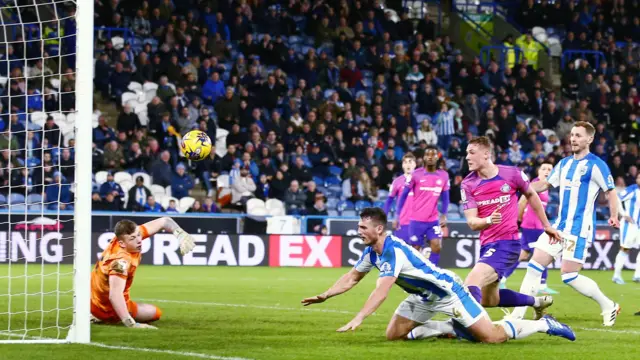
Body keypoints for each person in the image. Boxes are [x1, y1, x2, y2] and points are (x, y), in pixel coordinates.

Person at [301, 207, 575, 343]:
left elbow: (381, 291)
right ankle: (449, 327)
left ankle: (544, 325)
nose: (359, 231)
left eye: (363, 227)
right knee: (393, 336)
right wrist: (325, 295)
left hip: (449, 293)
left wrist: (359, 317)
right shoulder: (372, 252)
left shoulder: (393, 251)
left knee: (491, 338)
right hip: (423, 297)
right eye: (358, 227)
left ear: (379, 229)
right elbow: (351, 278)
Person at [512, 122, 621, 326]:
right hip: (558, 227)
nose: (573, 139)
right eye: (572, 135)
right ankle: (517, 316)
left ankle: (608, 305)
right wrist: (522, 187)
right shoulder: (564, 164)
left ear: (589, 139)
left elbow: (611, 191)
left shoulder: (596, 165)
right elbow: (544, 184)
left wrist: (614, 215)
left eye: (578, 135)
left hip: (578, 230)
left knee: (569, 275)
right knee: (534, 267)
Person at [460, 136, 560, 315]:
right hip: (487, 244)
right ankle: (536, 302)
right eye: (467, 153)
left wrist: (547, 225)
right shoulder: (468, 184)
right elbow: (472, 222)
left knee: (470, 283)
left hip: (507, 243)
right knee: (490, 300)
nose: (467, 157)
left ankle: (468, 329)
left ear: (486, 154)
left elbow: (531, 194)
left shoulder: (512, 173)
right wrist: (488, 220)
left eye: (471, 152)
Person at [90, 217, 195, 328]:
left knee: (153, 311)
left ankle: (95, 315)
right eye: (133, 238)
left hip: (93, 301)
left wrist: (180, 234)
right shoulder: (120, 261)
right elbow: (115, 296)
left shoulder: (126, 237)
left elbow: (165, 221)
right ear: (122, 243)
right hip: (107, 309)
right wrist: (131, 324)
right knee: (155, 313)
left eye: (139, 234)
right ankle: (104, 316)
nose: (139, 240)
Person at [500, 162, 558, 295]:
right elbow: (522, 202)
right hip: (533, 226)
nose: (547, 171)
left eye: (550, 169)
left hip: (533, 225)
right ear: (538, 172)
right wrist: (518, 220)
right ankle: (543, 285)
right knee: (543, 252)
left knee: (523, 254)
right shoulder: (535, 184)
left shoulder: (545, 187)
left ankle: (502, 277)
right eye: (544, 168)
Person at [395, 146, 449, 265]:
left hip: (433, 220)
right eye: (427, 154)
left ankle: (431, 272)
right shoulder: (415, 174)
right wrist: (397, 215)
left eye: (433, 154)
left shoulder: (443, 175)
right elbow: (403, 195)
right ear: (424, 158)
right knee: (415, 250)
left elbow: (445, 197)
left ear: (437, 157)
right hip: (416, 220)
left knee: (437, 245)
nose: (430, 157)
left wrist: (444, 214)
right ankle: (414, 274)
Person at [612, 173, 640, 284]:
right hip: (630, 225)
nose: (639, 179)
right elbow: (616, 198)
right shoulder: (632, 189)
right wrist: (623, 214)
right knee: (625, 248)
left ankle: (638, 275)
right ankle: (616, 275)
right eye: (638, 177)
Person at [383, 152, 417, 243]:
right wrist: (383, 217)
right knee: (400, 253)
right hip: (402, 223)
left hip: (418, 223)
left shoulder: (422, 181)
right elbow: (389, 200)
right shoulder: (397, 182)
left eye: (410, 162)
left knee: (417, 254)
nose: (408, 165)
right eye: (405, 162)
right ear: (402, 165)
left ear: (415, 164)